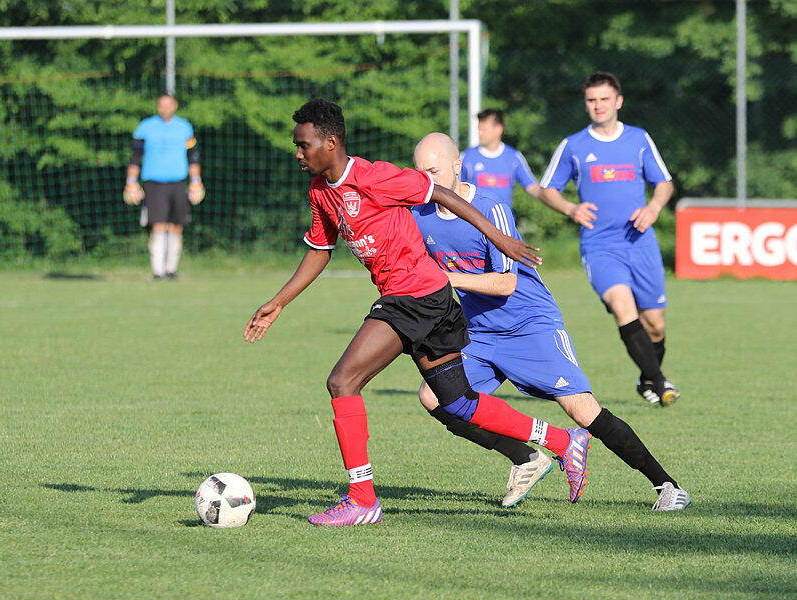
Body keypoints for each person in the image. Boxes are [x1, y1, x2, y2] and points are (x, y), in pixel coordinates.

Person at [244, 99, 592, 527]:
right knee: (458, 403)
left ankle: (362, 499)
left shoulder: (375, 176)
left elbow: (443, 194)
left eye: (303, 144)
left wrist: (500, 239)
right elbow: (319, 251)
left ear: (330, 142)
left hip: (414, 298)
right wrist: (278, 302)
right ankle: (563, 440)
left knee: (342, 381)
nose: (298, 153)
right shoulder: (320, 191)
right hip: (428, 299)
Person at [411, 132, 690, 511]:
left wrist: (448, 279)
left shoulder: (490, 209)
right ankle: (527, 458)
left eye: (434, 170)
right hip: (480, 332)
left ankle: (667, 486)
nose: (426, 179)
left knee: (582, 410)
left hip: (530, 325)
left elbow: (506, 282)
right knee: (436, 398)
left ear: (458, 165)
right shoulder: (419, 213)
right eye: (420, 172)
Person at [538, 72, 679, 406]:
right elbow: (547, 190)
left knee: (655, 325)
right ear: (586, 104)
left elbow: (664, 183)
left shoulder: (639, 139)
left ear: (618, 101)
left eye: (604, 99)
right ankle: (660, 383)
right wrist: (571, 209)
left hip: (640, 242)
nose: (598, 106)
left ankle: (647, 378)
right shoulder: (573, 145)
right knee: (621, 307)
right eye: (591, 100)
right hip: (600, 246)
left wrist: (654, 207)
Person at [123, 93, 205, 279]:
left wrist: (196, 182)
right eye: (161, 105)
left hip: (177, 182)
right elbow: (135, 158)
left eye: (168, 105)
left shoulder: (184, 127)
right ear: (157, 106)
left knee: (177, 225)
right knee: (158, 224)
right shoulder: (145, 127)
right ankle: (157, 271)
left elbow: (193, 157)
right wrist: (131, 183)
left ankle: (171, 269)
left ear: (174, 106)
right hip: (153, 182)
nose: (165, 109)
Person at [459, 109, 540, 208]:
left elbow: (533, 188)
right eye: (479, 129)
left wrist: (551, 196)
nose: (480, 133)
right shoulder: (466, 157)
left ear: (498, 130)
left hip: (503, 222)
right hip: (473, 222)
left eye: (484, 129)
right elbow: (454, 190)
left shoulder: (514, 157)